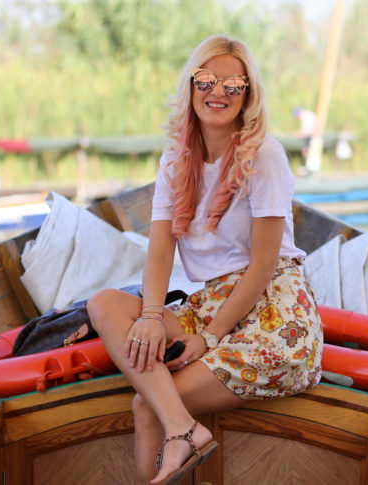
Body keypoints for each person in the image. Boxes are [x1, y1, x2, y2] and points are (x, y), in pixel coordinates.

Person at [86, 35, 323, 485]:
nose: (219, 92)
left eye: (234, 84)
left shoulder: (264, 156)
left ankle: (178, 427)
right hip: (212, 301)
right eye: (207, 80)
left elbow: (264, 265)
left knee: (145, 404)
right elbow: (160, 249)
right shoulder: (176, 158)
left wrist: (210, 339)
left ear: (248, 94)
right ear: (191, 86)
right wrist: (153, 315)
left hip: (275, 313)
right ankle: (184, 428)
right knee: (104, 305)